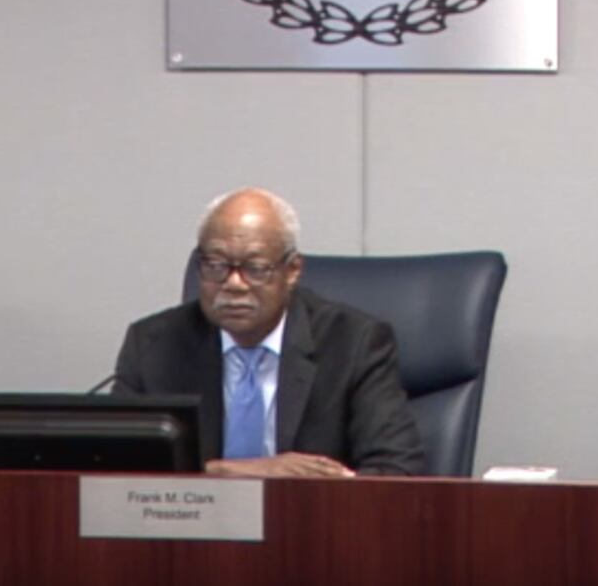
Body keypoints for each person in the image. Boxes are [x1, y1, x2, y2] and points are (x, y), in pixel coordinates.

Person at [113, 187, 425, 477]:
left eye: (255, 268)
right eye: (217, 265)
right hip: (188, 531)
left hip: (312, 527)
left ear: (292, 271)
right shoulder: (154, 345)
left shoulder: (353, 343)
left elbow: (397, 470)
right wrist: (243, 472)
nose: (234, 284)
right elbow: (115, 468)